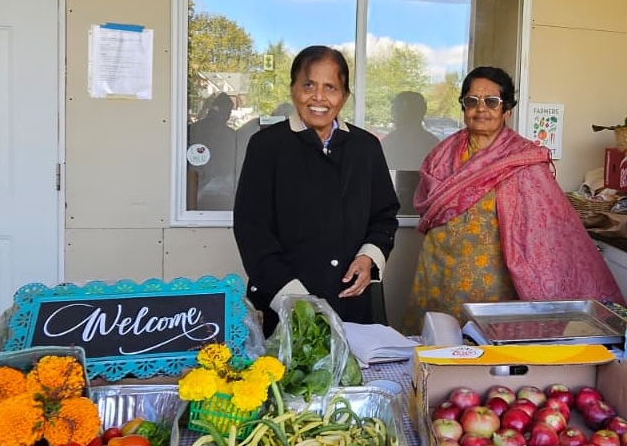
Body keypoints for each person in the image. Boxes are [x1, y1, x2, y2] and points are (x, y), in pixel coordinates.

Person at [403, 66, 625, 334]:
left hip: (493, 286)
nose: (480, 108)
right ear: (463, 107)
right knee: (438, 346)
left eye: (491, 102)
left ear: (507, 109)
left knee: (486, 354)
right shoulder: (441, 155)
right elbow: (430, 207)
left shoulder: (522, 161)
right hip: (438, 272)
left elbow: (550, 231)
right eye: (471, 101)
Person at [233, 45, 400, 336]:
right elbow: (252, 231)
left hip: (352, 302)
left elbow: (384, 217)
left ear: (344, 96)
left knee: (353, 375)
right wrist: (295, 300)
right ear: (293, 89)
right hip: (284, 303)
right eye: (308, 85)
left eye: (331, 87)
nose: (319, 97)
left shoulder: (366, 147)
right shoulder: (267, 146)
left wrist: (368, 258)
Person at [382, 91, 439, 213]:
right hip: (392, 209)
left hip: (425, 211)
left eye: (408, 111)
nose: (398, 115)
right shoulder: (388, 143)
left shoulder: (432, 144)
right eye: (397, 110)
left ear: (420, 113)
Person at [187, 92, 237, 210]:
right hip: (217, 190)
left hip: (197, 189)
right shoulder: (229, 135)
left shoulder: (192, 129)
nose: (228, 116)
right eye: (228, 112)